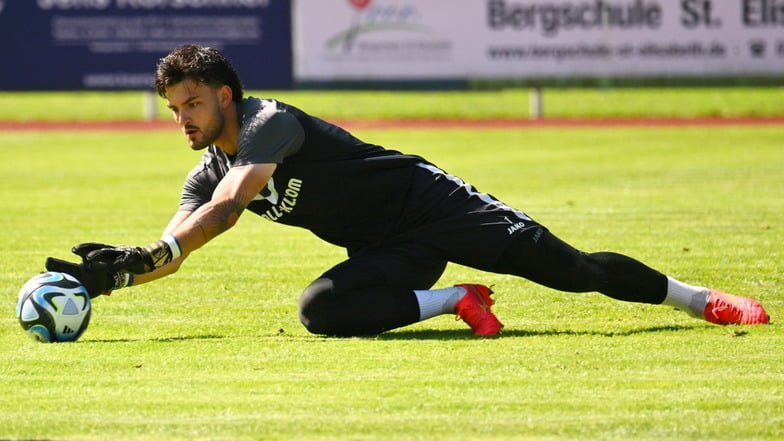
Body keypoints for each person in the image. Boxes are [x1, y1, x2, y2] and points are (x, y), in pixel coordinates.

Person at [46, 44, 770, 337]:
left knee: (574, 272)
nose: (184, 121)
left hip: (434, 206)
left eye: (193, 105)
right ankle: (457, 299)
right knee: (322, 312)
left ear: (227, 96)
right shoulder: (205, 169)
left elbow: (229, 208)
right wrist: (123, 274)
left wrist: (155, 247)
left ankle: (698, 298)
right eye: (175, 110)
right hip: (388, 246)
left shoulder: (269, 123)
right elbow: (182, 240)